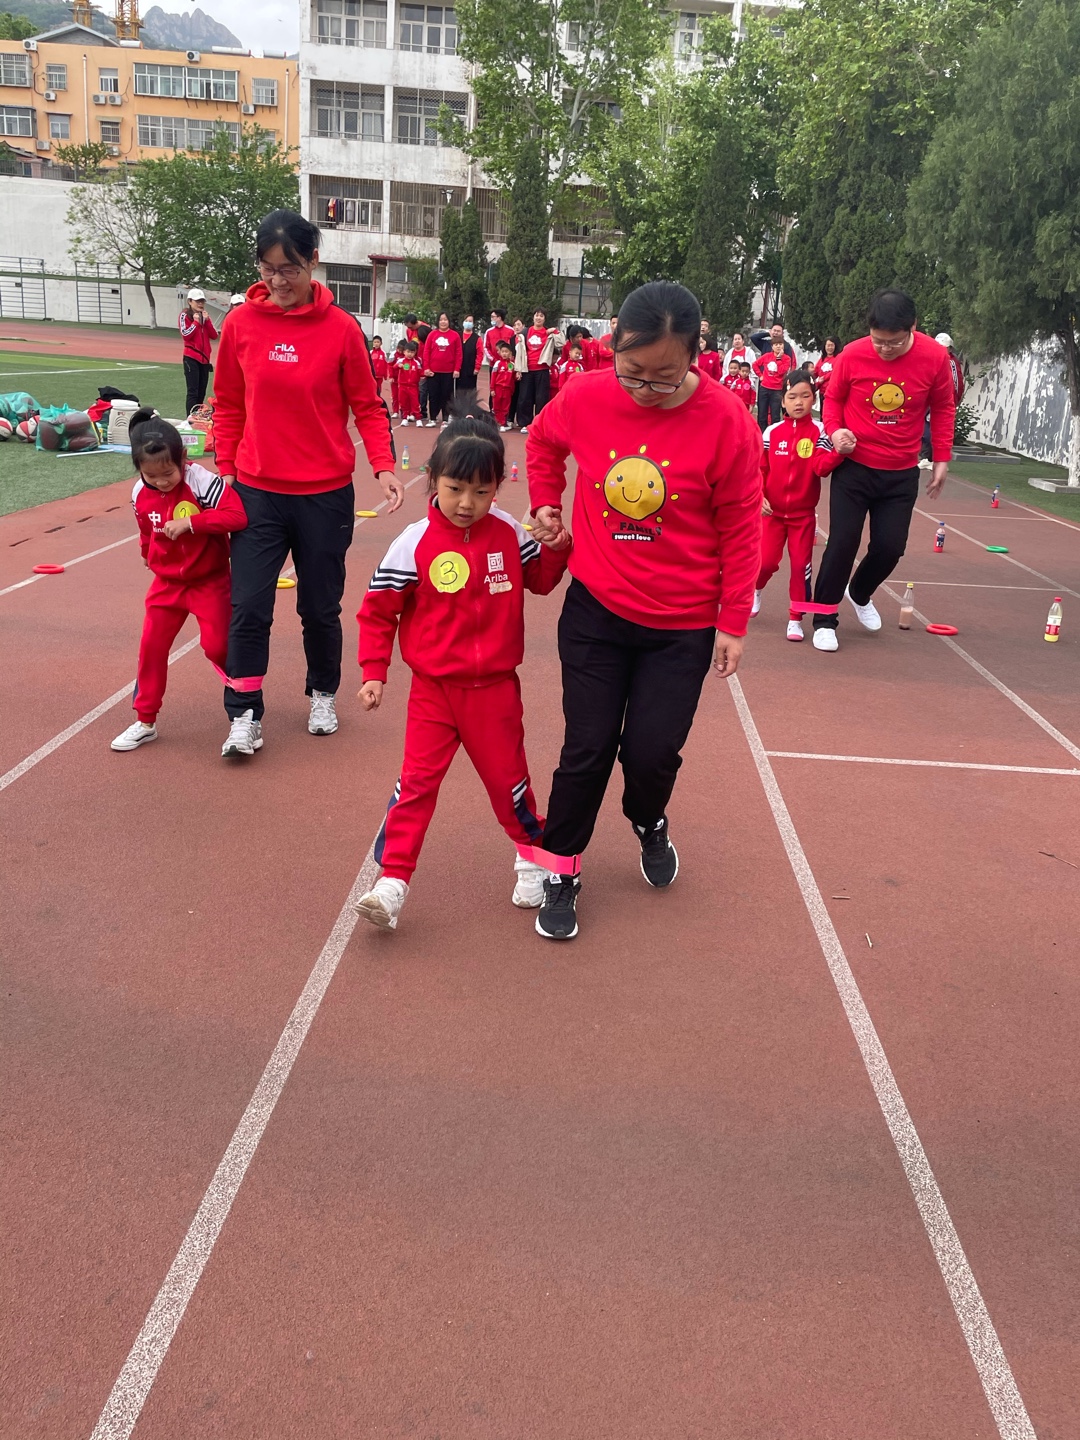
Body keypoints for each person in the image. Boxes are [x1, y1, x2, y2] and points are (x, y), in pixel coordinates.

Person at [526, 281, 762, 941]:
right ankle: (561, 869)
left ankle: (648, 819)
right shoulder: (585, 395)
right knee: (587, 747)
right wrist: (545, 501)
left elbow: (743, 528)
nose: (645, 390)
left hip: (681, 626)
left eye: (665, 377)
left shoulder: (728, 421)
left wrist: (733, 622)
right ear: (614, 346)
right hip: (597, 610)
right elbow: (543, 443)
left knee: (652, 753)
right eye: (633, 372)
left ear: (695, 356)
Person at [354, 412, 572, 931]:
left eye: (481, 491)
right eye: (455, 489)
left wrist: (557, 547)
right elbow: (378, 610)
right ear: (433, 479)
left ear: (498, 487)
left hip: (494, 692)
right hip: (433, 692)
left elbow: (541, 581)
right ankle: (392, 881)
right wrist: (373, 671)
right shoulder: (412, 543)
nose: (467, 503)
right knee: (415, 785)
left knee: (508, 784)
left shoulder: (510, 533)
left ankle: (530, 858)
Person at [212, 208, 400, 756]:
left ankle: (322, 693)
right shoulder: (240, 325)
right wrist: (227, 473)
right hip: (256, 492)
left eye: (289, 268)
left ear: (313, 261)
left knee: (319, 607)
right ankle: (244, 713)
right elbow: (227, 405)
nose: (278, 281)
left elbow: (367, 405)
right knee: (248, 606)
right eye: (268, 269)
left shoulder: (340, 329)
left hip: (324, 495)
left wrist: (383, 465)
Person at [810, 287, 956, 652]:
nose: (885, 349)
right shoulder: (852, 354)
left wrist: (941, 459)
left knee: (890, 548)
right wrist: (835, 430)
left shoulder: (934, 357)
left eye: (893, 342)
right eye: (878, 341)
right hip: (855, 467)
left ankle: (859, 592)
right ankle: (824, 618)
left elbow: (943, 407)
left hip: (901, 471)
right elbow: (833, 399)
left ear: (913, 327)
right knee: (842, 543)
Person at [111, 409, 247, 752]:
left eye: (168, 473)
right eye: (151, 475)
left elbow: (237, 516)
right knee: (151, 647)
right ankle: (145, 720)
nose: (161, 482)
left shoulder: (202, 482)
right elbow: (146, 528)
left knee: (217, 647)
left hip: (209, 581)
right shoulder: (139, 492)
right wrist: (147, 553)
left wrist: (192, 523)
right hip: (167, 584)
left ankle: (244, 708)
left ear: (183, 459)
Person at [752, 370, 841, 642]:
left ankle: (795, 618)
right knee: (765, 563)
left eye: (805, 396)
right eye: (792, 397)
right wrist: (760, 496)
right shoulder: (771, 432)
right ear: (782, 401)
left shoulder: (820, 431)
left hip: (802, 517)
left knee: (801, 567)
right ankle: (755, 589)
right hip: (772, 515)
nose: (799, 402)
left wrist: (839, 453)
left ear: (814, 399)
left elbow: (821, 468)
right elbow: (759, 470)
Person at [179, 288, 218, 417]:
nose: (200, 304)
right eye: (197, 301)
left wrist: (207, 321)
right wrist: (195, 323)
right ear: (190, 301)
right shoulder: (185, 315)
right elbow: (185, 335)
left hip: (205, 359)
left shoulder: (205, 316)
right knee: (193, 391)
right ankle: (190, 418)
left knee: (201, 392)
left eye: (202, 301)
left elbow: (214, 335)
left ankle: (198, 418)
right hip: (191, 357)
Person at [517, 309, 558, 431]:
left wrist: (554, 331)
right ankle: (525, 423)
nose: (539, 318)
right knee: (525, 397)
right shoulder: (526, 332)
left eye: (541, 316)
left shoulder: (548, 333)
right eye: (537, 315)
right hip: (527, 369)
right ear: (533, 317)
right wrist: (518, 369)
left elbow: (561, 343)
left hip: (542, 369)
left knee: (541, 398)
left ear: (544, 319)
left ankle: (540, 424)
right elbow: (519, 352)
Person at [422, 312, 463, 426]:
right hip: (433, 371)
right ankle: (433, 418)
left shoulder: (455, 335)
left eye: (445, 319)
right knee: (433, 395)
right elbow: (426, 352)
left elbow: (458, 353)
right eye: (441, 320)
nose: (443, 322)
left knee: (447, 395)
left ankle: (446, 418)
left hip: (448, 371)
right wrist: (426, 368)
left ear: (449, 321)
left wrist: (457, 369)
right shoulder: (432, 334)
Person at [753, 337, 795, 429]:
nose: (778, 346)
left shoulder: (787, 358)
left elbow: (781, 371)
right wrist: (760, 375)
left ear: (783, 346)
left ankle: (773, 433)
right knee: (762, 414)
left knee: (775, 415)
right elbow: (755, 364)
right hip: (764, 388)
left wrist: (779, 358)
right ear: (772, 347)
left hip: (777, 390)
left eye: (780, 344)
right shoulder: (767, 356)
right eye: (776, 345)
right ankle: (762, 433)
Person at [489, 339, 517, 430]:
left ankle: (502, 423)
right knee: (496, 406)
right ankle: (497, 422)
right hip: (498, 388)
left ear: (510, 353)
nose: (504, 354)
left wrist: (512, 388)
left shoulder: (512, 365)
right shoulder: (497, 364)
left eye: (506, 352)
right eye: (503, 352)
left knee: (505, 407)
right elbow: (493, 377)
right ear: (500, 353)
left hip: (507, 390)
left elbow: (513, 378)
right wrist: (492, 389)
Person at [396, 340, 423, 424]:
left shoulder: (416, 363)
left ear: (415, 353)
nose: (410, 354)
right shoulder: (401, 361)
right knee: (403, 402)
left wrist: (426, 374)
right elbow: (394, 366)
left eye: (412, 352)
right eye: (408, 352)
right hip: (403, 386)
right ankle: (405, 417)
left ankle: (418, 418)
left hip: (413, 386)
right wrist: (398, 366)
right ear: (404, 352)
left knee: (415, 403)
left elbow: (420, 372)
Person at [458, 316, 481, 405]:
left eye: (470, 321)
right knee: (458, 391)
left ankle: (470, 409)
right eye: (466, 320)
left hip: (470, 369)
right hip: (458, 368)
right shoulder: (457, 335)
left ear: (473, 324)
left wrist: (477, 367)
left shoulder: (477, 338)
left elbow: (480, 354)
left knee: (470, 392)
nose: (468, 322)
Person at [389, 337, 407, 417]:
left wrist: (403, 366)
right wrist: (391, 376)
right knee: (395, 395)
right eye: (399, 349)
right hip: (395, 379)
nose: (400, 351)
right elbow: (390, 366)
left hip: (403, 379)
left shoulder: (406, 355)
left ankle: (403, 411)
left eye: (401, 350)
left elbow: (408, 367)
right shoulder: (394, 354)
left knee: (403, 396)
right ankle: (395, 411)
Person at [370, 334, 389, 399]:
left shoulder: (383, 353)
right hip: (372, 374)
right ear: (373, 343)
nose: (376, 344)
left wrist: (385, 375)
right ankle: (372, 398)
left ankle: (378, 398)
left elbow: (385, 364)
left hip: (380, 375)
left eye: (378, 342)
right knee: (372, 387)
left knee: (379, 387)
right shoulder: (371, 352)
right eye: (375, 342)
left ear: (381, 343)